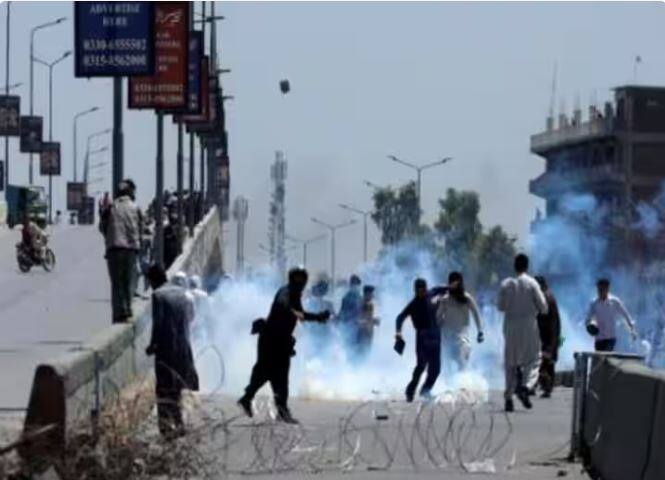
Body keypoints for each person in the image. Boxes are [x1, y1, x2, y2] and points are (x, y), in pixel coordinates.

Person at [238, 267, 330, 423]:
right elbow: (289, 309)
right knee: (269, 372)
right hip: (271, 339)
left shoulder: (294, 294)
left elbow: (300, 314)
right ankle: (272, 406)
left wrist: (317, 318)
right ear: (292, 280)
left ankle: (273, 406)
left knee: (275, 375)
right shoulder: (286, 292)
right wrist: (311, 316)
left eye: (302, 281)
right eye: (298, 281)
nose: (301, 284)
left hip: (279, 340)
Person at [145, 265, 199, 439]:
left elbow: (158, 324)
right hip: (183, 347)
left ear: (153, 280)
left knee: (163, 389)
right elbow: (190, 319)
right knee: (176, 388)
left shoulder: (158, 295)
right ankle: (179, 423)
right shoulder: (183, 293)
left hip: (166, 350)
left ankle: (166, 429)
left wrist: (152, 346)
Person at [498, 254, 548, 412]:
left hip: (510, 325)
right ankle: (525, 387)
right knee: (533, 359)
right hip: (528, 325)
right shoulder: (532, 283)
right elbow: (543, 307)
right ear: (527, 266)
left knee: (510, 362)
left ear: (515, 266)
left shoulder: (506, 284)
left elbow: (500, 306)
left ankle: (508, 398)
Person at [395, 278, 448, 402]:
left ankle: (426, 389)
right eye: (418, 290)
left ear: (426, 288)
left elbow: (444, 288)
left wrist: (451, 287)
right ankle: (410, 391)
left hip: (435, 334)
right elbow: (400, 317)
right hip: (422, 337)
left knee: (436, 368)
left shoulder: (432, 293)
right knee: (421, 366)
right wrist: (398, 332)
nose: (421, 292)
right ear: (415, 290)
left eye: (422, 289)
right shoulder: (413, 304)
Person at [99, 179, 143, 323]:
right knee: (128, 281)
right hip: (130, 249)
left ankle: (119, 313)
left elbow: (102, 227)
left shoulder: (111, 207)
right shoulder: (135, 207)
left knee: (117, 283)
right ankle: (128, 309)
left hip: (114, 249)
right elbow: (141, 228)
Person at [435, 271, 484, 372]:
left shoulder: (467, 298)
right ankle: (447, 384)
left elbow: (476, 314)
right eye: (451, 282)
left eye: (455, 282)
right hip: (447, 336)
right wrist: (438, 326)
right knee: (446, 363)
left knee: (462, 361)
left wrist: (480, 331)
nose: (453, 284)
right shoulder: (445, 300)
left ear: (459, 283)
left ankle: (463, 382)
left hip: (462, 337)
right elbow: (438, 317)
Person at [585, 278, 637, 352]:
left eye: (601, 290)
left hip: (611, 338)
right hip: (599, 339)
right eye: (598, 290)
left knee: (607, 357)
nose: (599, 292)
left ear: (607, 289)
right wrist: (590, 326)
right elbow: (588, 319)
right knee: (599, 360)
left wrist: (632, 329)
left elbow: (625, 315)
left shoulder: (614, 302)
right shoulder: (594, 303)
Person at [534, 276, 561, 398]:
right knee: (547, 362)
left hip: (547, 335)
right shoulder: (549, 295)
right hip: (549, 335)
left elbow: (546, 319)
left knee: (544, 362)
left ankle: (545, 387)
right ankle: (545, 387)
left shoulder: (545, 296)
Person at [337, 275, 364, 347]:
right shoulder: (347, 297)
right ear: (351, 285)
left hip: (359, 327)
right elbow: (343, 312)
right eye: (354, 284)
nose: (356, 286)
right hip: (349, 326)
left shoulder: (360, 297)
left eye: (357, 284)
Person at [356, 285, 379, 360]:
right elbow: (358, 320)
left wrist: (373, 321)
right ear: (367, 293)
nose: (373, 295)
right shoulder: (361, 304)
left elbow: (368, 318)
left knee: (367, 355)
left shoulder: (370, 305)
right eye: (371, 293)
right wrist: (372, 321)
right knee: (361, 356)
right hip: (362, 334)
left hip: (369, 334)